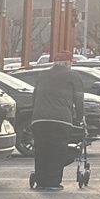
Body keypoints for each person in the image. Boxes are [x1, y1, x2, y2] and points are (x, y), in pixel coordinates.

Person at [28, 54, 87, 191]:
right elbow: (79, 100)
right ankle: (53, 183)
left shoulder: (42, 75)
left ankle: (41, 181)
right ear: (68, 62)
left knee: (41, 149)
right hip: (61, 120)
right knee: (57, 150)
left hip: (39, 119)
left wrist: (34, 114)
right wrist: (80, 118)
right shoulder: (73, 76)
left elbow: (35, 97)